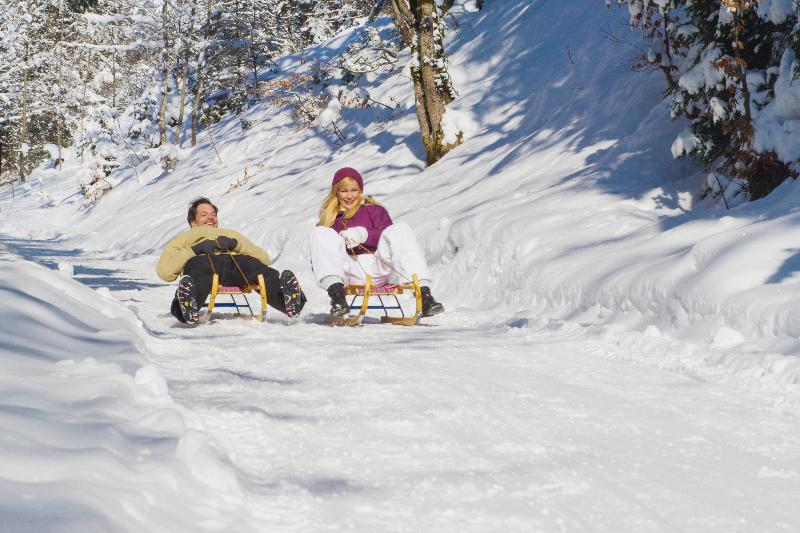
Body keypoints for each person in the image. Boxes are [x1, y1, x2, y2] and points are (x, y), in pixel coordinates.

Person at [309, 167, 444, 318]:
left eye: (354, 190)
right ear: (336, 192)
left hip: (379, 269)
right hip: (349, 273)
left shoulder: (374, 210)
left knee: (400, 229)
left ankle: (424, 295)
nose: (350, 196)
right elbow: (321, 256)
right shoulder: (330, 219)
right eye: (344, 191)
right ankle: (338, 299)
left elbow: (389, 236)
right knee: (319, 232)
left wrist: (363, 234)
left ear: (360, 190)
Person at [157, 197, 306, 324]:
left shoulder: (230, 234)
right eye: (204, 214)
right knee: (197, 274)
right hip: (204, 263)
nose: (211, 217)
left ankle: (290, 302)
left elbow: (264, 259)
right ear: (193, 222)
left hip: (236, 263)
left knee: (261, 270)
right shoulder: (184, 238)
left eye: (213, 214)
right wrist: (195, 250)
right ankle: (186, 307)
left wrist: (236, 244)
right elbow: (165, 271)